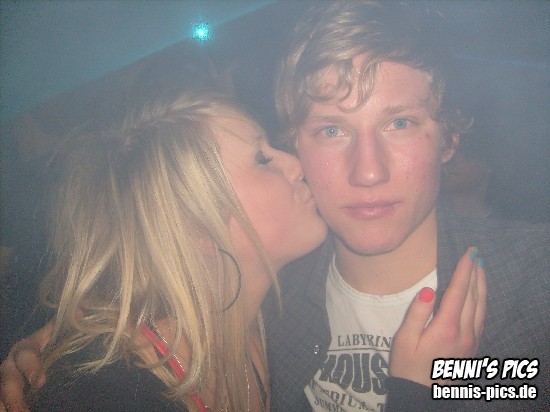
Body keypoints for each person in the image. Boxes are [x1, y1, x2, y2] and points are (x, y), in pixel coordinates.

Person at [261, 1, 550, 411]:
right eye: (332, 130)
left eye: (399, 124)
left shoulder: (536, 290)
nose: (368, 172)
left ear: (449, 140)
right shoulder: (267, 303)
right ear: (295, 150)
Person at [1, 90, 328, 411]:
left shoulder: (280, 313)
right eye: (262, 159)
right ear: (195, 228)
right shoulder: (107, 394)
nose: (296, 164)